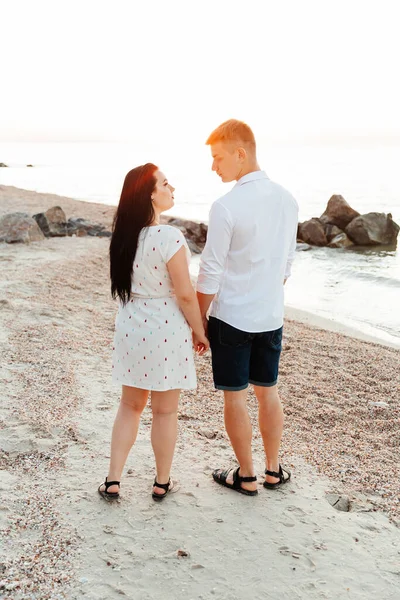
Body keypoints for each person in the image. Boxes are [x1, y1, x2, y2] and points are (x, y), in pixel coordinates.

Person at [196, 120, 298, 496]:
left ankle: (247, 475)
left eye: (218, 158)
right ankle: (274, 470)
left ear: (241, 153)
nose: (214, 166)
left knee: (235, 397)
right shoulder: (288, 200)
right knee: (268, 392)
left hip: (232, 319)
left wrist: (197, 320)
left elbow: (209, 273)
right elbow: (286, 267)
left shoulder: (226, 206)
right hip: (271, 317)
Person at [98, 163, 209, 502]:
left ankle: (113, 480)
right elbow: (185, 293)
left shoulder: (124, 237)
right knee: (164, 411)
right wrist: (200, 330)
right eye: (164, 182)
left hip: (132, 323)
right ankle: (161, 482)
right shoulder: (168, 236)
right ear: (149, 193)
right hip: (164, 326)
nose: (171, 187)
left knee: (129, 406)